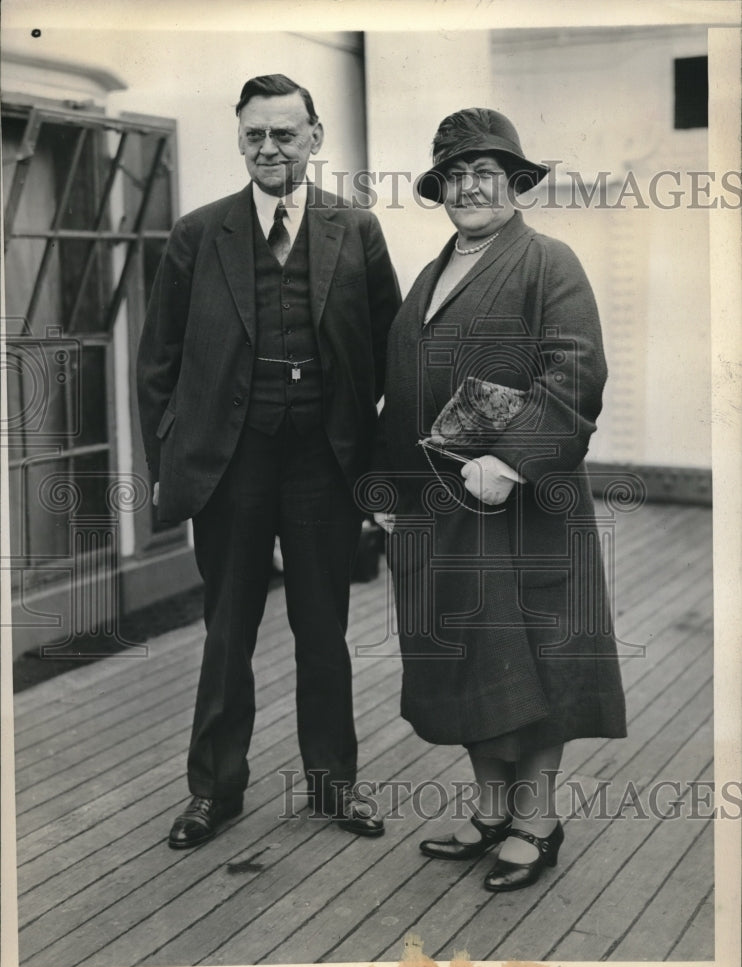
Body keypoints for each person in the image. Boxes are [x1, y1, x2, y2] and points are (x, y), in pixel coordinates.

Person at [137, 74, 401, 849]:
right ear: (240, 138)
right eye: (255, 134)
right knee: (227, 633)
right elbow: (157, 364)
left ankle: (332, 785)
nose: (270, 148)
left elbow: (392, 356)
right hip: (231, 463)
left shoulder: (356, 231)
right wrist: (170, 457)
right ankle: (215, 792)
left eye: (285, 133)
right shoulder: (198, 234)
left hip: (325, 462)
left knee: (324, 630)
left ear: (315, 138)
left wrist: (381, 464)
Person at [372, 108, 626, 892]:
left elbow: (576, 372)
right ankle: (490, 815)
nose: (472, 185)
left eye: (488, 171)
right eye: (457, 173)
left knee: (536, 662)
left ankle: (537, 823)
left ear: (515, 183)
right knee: (470, 666)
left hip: (523, 511)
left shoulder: (550, 262)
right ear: (442, 188)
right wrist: (389, 488)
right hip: (442, 514)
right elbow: (403, 392)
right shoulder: (430, 273)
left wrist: (512, 462)